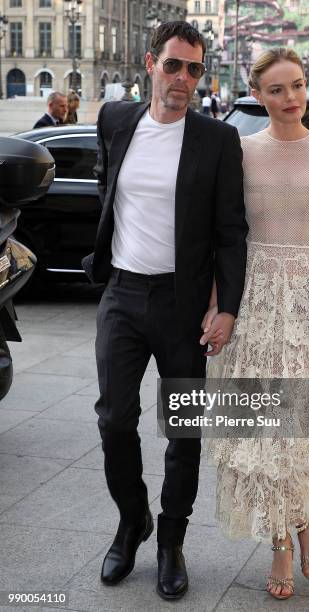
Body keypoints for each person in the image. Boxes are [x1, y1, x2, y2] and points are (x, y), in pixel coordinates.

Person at [82, 21, 248, 601]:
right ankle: (133, 522)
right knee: (113, 418)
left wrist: (226, 306)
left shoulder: (216, 139)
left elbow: (231, 232)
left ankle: (171, 540)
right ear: (150, 63)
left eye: (195, 70)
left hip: (183, 304)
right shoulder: (115, 120)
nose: (183, 80)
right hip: (123, 297)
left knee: (183, 429)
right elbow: (109, 189)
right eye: (174, 66)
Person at [201, 47, 309, 600]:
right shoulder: (241, 152)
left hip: (305, 299)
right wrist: (217, 303)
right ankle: (284, 539)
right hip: (251, 297)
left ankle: (303, 523)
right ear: (259, 95)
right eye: (276, 90)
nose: (290, 98)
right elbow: (229, 234)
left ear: (306, 87)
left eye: (296, 86)